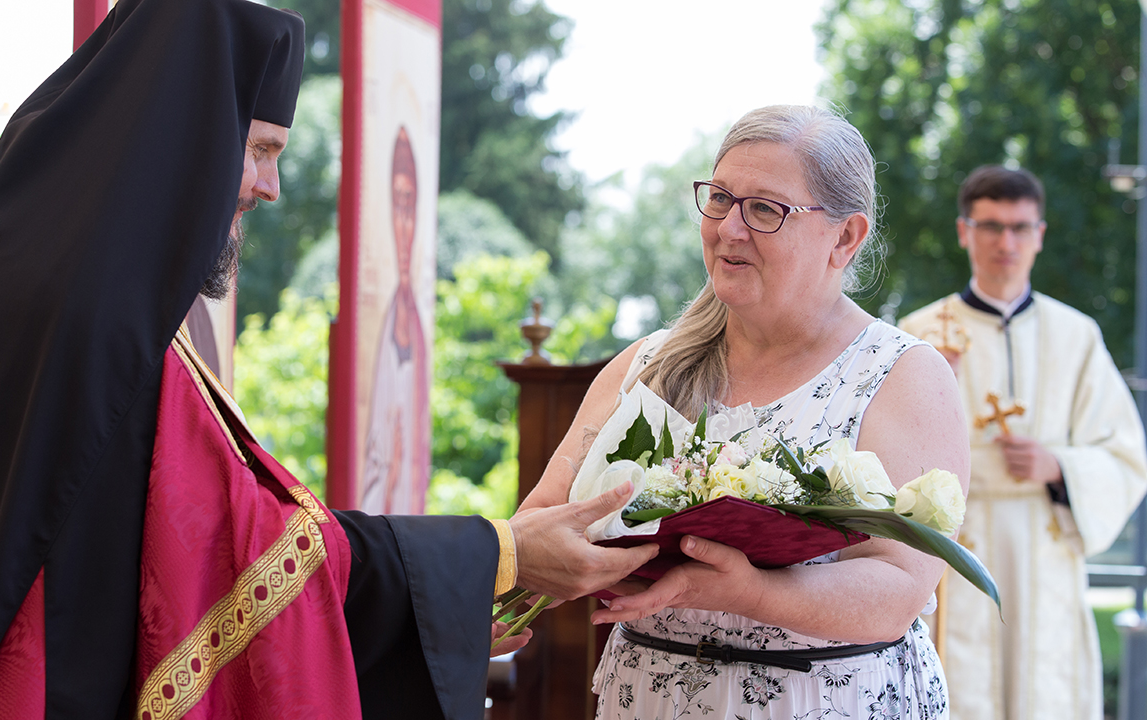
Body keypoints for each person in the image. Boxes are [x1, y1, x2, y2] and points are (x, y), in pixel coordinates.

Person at [0, 1, 658, 718]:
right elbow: (250, 551)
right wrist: (502, 553)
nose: (269, 187)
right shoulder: (109, 331)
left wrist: (446, 599)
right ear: (189, 142)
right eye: (259, 150)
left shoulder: (33, 280)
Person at [518, 105, 968, 719]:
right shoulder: (647, 364)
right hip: (654, 694)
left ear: (845, 237)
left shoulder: (901, 375)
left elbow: (896, 586)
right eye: (721, 198)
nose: (729, 228)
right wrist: (578, 566)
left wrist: (752, 591)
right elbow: (543, 518)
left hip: (821, 699)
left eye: (764, 209)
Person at [899, 165, 1147, 720]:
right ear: (964, 231)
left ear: (1040, 234)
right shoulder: (918, 334)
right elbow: (879, 458)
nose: (1004, 242)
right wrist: (935, 388)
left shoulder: (1077, 336)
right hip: (954, 549)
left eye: (1019, 227)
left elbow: (1127, 454)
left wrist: (1058, 465)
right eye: (989, 226)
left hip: (1043, 548)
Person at [360, 126, 429, 513]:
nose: (404, 223)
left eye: (410, 206)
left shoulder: (414, 321)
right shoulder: (381, 322)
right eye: (396, 205)